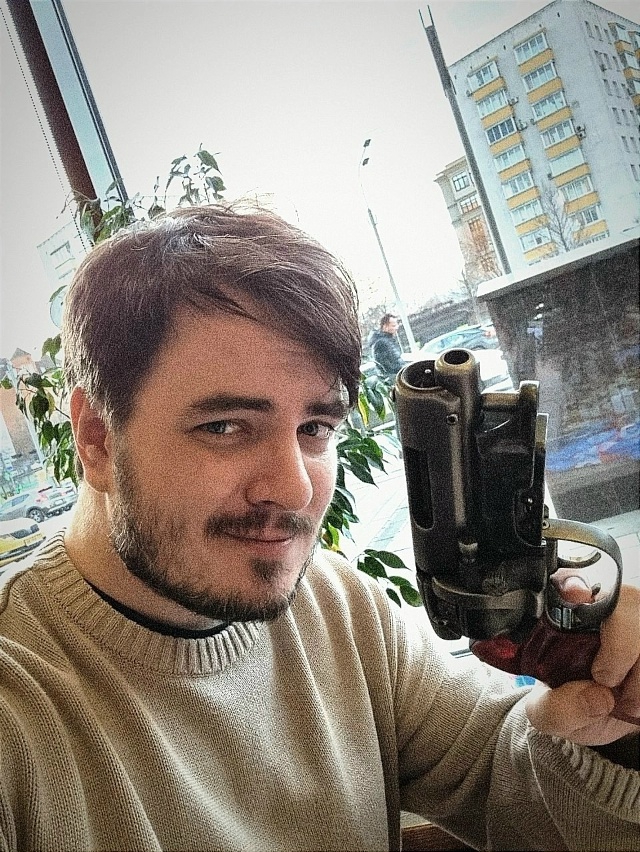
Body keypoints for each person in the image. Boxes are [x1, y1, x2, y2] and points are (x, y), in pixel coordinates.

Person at [0, 204, 638, 852]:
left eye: (315, 428)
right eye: (224, 426)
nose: (296, 489)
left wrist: (612, 720)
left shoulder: (340, 607)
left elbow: (503, 779)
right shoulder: (17, 706)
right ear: (97, 438)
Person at [369, 313, 406, 384]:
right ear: (385, 326)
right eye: (393, 326)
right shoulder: (381, 343)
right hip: (394, 381)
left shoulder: (387, 340)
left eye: (396, 325)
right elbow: (387, 367)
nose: (397, 327)